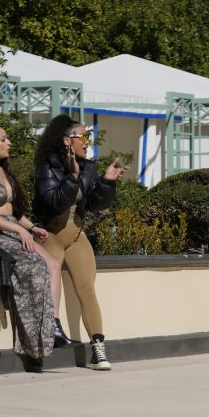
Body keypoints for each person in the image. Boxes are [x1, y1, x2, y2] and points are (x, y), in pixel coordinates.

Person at [33, 114, 129, 370]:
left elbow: (96, 204)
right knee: (47, 290)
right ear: (67, 141)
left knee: (87, 289)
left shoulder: (87, 166)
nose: (88, 142)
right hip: (50, 234)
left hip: (76, 235)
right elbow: (55, 203)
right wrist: (72, 177)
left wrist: (107, 182)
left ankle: (98, 350)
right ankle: (42, 348)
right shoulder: (48, 166)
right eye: (83, 136)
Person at [0, 124, 58, 365]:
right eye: (4, 139)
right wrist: (20, 230)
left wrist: (31, 227)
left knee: (49, 264)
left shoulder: (5, 171)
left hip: (14, 230)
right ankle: (31, 346)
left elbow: (14, 212)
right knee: (33, 266)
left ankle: (47, 334)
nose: (9, 143)